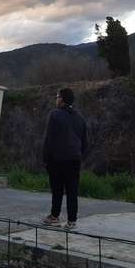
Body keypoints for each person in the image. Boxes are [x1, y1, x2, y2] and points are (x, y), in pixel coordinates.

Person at [42, 87, 88, 229]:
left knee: (57, 189)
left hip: (57, 159)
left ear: (62, 99)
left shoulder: (54, 115)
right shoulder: (80, 117)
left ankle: (54, 217)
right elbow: (85, 142)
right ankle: (71, 221)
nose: (56, 99)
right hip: (74, 160)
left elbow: (49, 139)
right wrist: (79, 156)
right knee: (72, 191)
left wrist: (46, 159)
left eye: (57, 97)